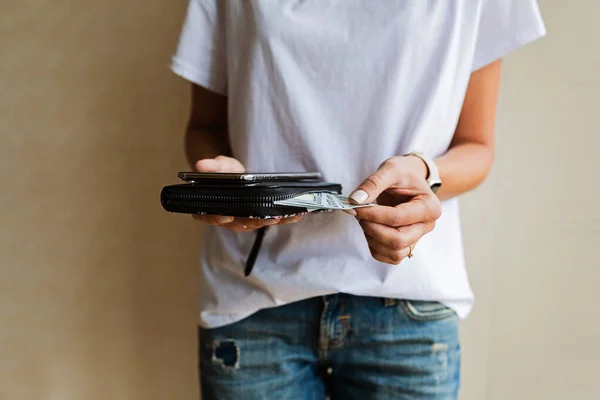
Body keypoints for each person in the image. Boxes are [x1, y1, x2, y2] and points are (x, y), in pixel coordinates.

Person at [170, 1, 546, 398]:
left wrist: (424, 173)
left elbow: (477, 147)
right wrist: (223, 183)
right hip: (255, 302)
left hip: (408, 304)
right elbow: (205, 127)